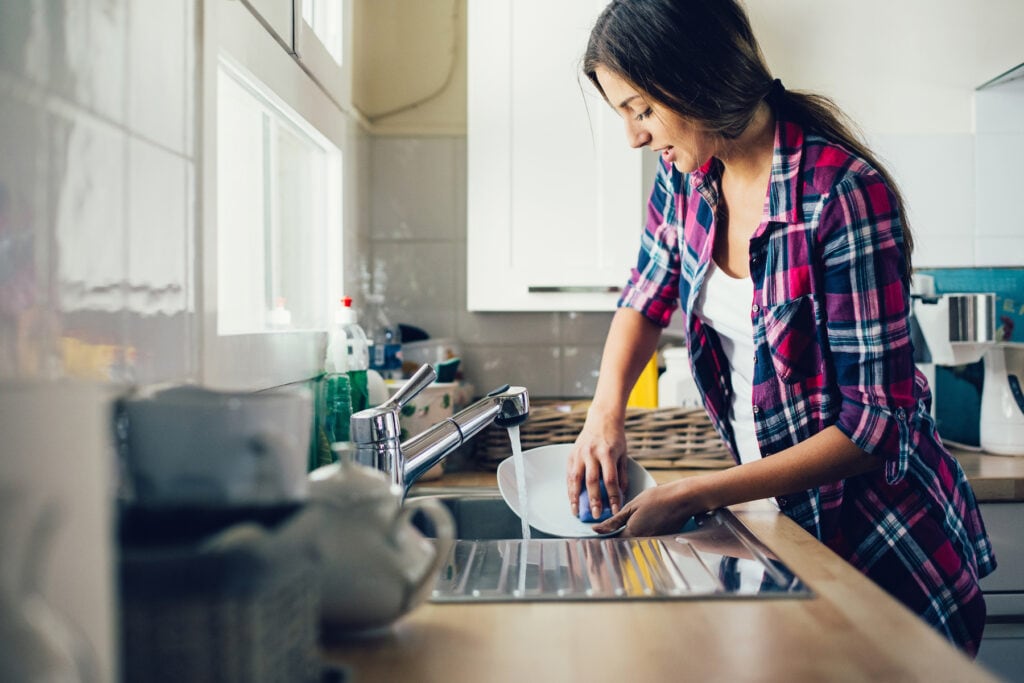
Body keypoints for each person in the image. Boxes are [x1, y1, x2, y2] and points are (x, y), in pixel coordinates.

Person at [566, 0, 996, 656]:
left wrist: (698, 492)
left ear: (697, 79)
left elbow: (874, 426)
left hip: (886, 552)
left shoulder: (843, 195)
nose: (634, 138)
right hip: (783, 529)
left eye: (642, 110)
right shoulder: (686, 181)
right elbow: (646, 297)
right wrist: (604, 414)